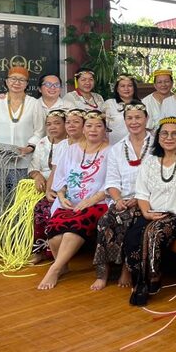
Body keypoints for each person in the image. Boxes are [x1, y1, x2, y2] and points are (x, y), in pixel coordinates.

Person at [124, 117, 176, 306]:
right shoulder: (150, 161)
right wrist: (146, 212)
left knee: (154, 232)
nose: (169, 137)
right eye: (164, 133)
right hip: (152, 211)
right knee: (134, 232)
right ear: (158, 137)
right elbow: (141, 192)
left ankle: (148, 283)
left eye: (174, 134)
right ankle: (137, 279)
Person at [38, 110, 110, 290]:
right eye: (89, 125)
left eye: (98, 126)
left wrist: (91, 200)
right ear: (83, 129)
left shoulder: (111, 151)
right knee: (55, 236)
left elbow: (112, 182)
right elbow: (61, 177)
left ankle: (54, 269)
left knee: (71, 232)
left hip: (97, 203)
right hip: (70, 201)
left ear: (104, 130)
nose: (93, 130)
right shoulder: (71, 150)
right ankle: (63, 266)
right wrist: (61, 196)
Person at [91, 101, 152, 291]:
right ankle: (103, 272)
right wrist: (117, 200)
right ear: (125, 121)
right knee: (105, 221)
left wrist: (139, 198)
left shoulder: (157, 146)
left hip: (147, 200)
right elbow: (111, 181)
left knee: (129, 221)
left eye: (138, 117)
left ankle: (127, 267)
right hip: (121, 199)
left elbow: (158, 179)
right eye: (130, 118)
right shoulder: (117, 148)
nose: (134, 122)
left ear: (146, 119)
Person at [0, 66, 44, 223]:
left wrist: (30, 147)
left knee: (20, 201)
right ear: (6, 82)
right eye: (13, 79)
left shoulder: (33, 104)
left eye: (21, 80)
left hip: (24, 161)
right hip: (0, 162)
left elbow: (39, 131)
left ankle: (20, 236)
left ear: (27, 84)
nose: (17, 82)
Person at [28, 109, 67, 262]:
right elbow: (33, 167)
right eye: (48, 124)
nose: (52, 127)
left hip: (62, 187)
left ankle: (53, 253)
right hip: (43, 185)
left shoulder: (70, 143)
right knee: (38, 207)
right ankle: (39, 251)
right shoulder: (42, 142)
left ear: (65, 124)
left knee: (47, 209)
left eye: (57, 123)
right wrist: (37, 176)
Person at [103, 75, 140, 144]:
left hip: (136, 145)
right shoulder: (109, 104)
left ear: (134, 88)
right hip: (113, 145)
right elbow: (102, 126)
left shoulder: (141, 105)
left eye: (129, 85)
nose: (126, 89)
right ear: (117, 89)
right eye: (122, 86)